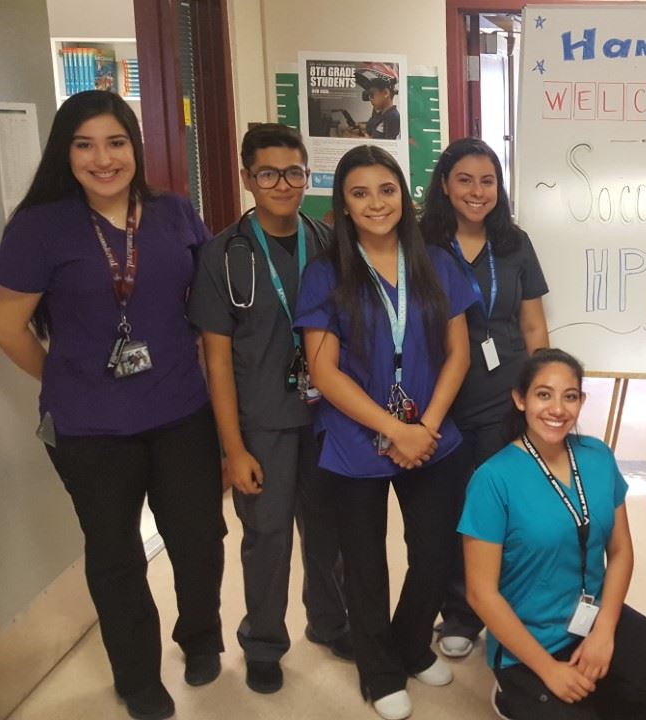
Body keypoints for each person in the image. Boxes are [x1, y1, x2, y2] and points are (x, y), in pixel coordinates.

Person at [0, 90, 225, 720]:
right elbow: (8, 325)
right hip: (90, 428)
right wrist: (65, 377)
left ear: (136, 147)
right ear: (64, 153)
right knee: (116, 553)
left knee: (200, 537)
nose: (103, 158)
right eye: (85, 144)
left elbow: (209, 315)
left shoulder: (176, 214)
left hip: (181, 410)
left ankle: (200, 634)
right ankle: (138, 676)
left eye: (116, 142)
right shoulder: (39, 227)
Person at [293, 145, 477, 720]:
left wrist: (422, 427)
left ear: (405, 194)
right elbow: (322, 371)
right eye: (360, 193)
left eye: (387, 189)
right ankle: (379, 670)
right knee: (365, 559)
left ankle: (408, 645)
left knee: (433, 550)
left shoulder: (438, 263)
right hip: (355, 438)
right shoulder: (327, 273)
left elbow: (459, 355)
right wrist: (393, 428)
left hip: (430, 434)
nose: (376, 203)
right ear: (343, 206)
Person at [188, 123, 351, 694]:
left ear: (308, 175)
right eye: (268, 173)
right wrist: (233, 448)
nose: (282, 183)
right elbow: (215, 357)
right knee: (269, 536)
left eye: (294, 172)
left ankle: (331, 622)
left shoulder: (328, 241)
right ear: (246, 178)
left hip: (328, 417)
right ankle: (262, 642)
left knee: (327, 530)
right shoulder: (223, 254)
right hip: (263, 422)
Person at [460, 348, 646, 720]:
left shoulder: (597, 456)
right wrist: (548, 669)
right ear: (520, 399)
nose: (557, 409)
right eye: (543, 394)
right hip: (529, 638)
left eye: (570, 396)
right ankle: (512, 697)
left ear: (582, 401)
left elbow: (620, 553)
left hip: (592, 618)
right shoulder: (493, 479)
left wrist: (604, 631)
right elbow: (480, 593)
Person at [421, 137, 550, 659]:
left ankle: (510, 606)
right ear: (445, 186)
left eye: (488, 180)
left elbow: (535, 326)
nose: (477, 192)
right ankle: (459, 611)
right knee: (454, 509)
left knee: (505, 508)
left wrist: (540, 396)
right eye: (465, 180)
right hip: (442, 395)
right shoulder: (419, 240)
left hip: (505, 397)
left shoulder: (514, 243)